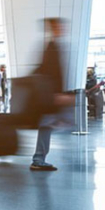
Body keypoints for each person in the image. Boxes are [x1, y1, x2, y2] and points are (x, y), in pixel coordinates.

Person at [30, 18, 74, 171]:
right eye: (58, 27)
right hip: (51, 95)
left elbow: (43, 69)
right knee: (48, 124)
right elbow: (49, 72)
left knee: (48, 124)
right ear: (54, 28)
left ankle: (39, 158)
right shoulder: (52, 47)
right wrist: (56, 94)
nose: (62, 29)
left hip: (52, 94)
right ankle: (38, 158)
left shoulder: (54, 46)